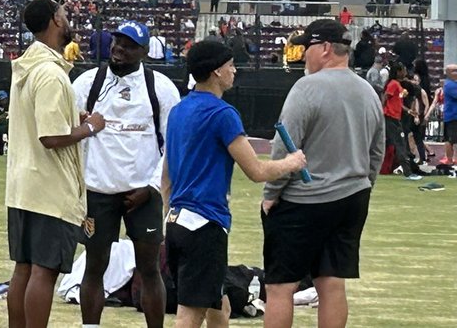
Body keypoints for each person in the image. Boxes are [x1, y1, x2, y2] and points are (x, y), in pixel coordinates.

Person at [162, 40, 307, 328]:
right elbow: (256, 170)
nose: (235, 70)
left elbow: (166, 176)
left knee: (219, 305)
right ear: (216, 71)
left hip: (178, 222)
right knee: (190, 314)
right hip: (204, 225)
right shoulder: (222, 114)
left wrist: (167, 217)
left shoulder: (179, 111)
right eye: (230, 65)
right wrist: (292, 162)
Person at [261, 20, 385, 328]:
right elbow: (377, 151)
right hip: (353, 196)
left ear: (326, 48)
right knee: (331, 283)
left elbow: (285, 147)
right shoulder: (368, 91)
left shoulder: (306, 88)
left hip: (305, 199)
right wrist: (363, 184)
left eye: (308, 47)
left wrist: (271, 194)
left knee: (280, 286)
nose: (304, 54)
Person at [72, 20, 181, 328]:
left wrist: (152, 187)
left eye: (130, 45)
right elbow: (69, 131)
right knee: (94, 266)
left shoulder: (161, 88)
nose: (120, 49)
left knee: (150, 269)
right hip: (97, 191)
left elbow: (173, 144)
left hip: (143, 194)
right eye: (117, 42)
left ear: (144, 51)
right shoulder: (87, 83)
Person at [5, 0, 99, 328]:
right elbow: (51, 136)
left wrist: (73, 118)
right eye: (63, 14)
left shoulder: (27, 67)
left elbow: (43, 121)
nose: (68, 19)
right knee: (44, 271)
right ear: (55, 21)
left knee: (24, 268)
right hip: (50, 188)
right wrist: (90, 127)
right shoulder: (51, 73)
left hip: (23, 186)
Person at [381, 61, 419, 175]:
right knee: (400, 144)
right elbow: (385, 97)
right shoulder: (393, 84)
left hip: (395, 117)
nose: (405, 72)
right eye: (403, 70)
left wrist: (409, 110)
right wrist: (381, 111)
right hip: (391, 117)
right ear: (398, 72)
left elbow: (397, 102)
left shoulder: (397, 85)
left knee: (399, 143)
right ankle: (408, 172)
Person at [428, 64, 457, 165]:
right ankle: (449, 159)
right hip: (453, 116)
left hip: (453, 115)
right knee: (450, 139)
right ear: (448, 73)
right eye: (454, 71)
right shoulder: (449, 84)